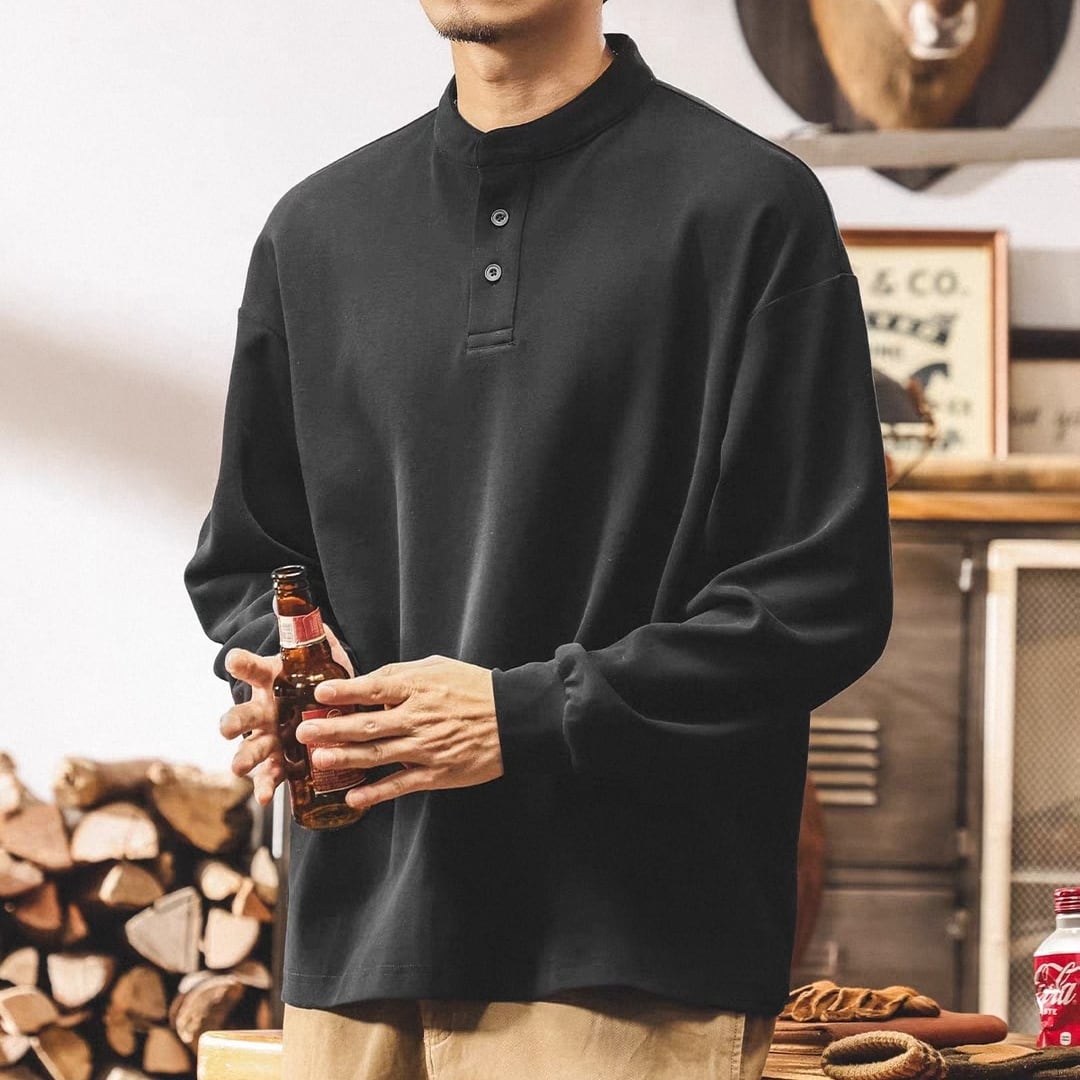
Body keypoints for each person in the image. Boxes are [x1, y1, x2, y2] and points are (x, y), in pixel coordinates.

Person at [185, 1, 893, 1077]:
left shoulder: (749, 206)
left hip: (630, 962)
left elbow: (820, 596)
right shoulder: (316, 230)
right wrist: (295, 669)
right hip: (360, 950)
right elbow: (251, 560)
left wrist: (522, 716)